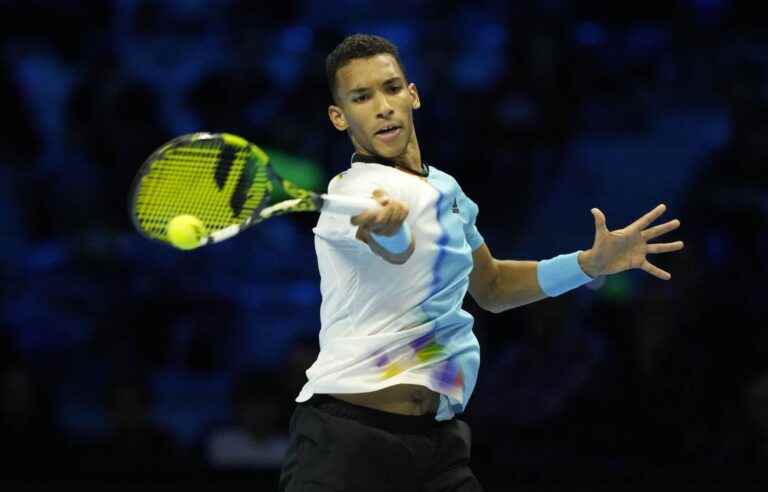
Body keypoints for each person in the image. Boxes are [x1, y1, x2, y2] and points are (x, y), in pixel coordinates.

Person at [278, 34, 684, 492]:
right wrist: (389, 230)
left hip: (439, 444)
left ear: (413, 94)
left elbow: (491, 287)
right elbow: (393, 245)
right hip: (348, 444)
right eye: (361, 97)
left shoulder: (449, 192)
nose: (382, 106)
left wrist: (587, 264)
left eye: (391, 89)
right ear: (339, 116)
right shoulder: (351, 195)